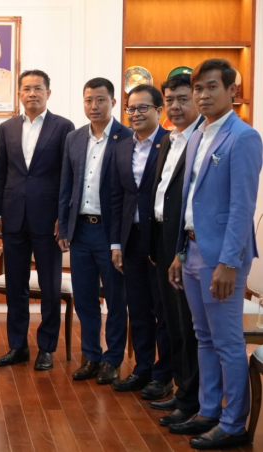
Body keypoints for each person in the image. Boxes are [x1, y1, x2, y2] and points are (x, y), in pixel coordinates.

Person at [168, 58, 262, 449]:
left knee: (226, 342)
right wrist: (178, 252)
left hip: (222, 257)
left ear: (232, 91)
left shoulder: (243, 137)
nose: (203, 95)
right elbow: (189, 200)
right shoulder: (197, 135)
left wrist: (228, 262)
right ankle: (208, 411)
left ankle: (233, 422)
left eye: (211, 87)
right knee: (203, 337)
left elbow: (242, 207)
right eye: (199, 89)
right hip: (191, 249)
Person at [0, 70, 75, 370]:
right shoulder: (7, 128)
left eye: (38, 88)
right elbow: (0, 172)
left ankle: (46, 348)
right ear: (19, 94)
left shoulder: (63, 127)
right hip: (13, 217)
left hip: (48, 219)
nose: (32, 94)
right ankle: (18, 346)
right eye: (26, 89)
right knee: (16, 286)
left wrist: (63, 216)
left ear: (48, 93)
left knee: (50, 286)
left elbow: (68, 175)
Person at [58, 78, 131, 383]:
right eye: (88, 100)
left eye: (100, 100)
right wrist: (64, 226)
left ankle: (112, 360)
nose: (94, 106)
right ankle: (91, 356)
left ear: (112, 102)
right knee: (85, 298)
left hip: (110, 233)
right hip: (80, 231)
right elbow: (66, 184)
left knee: (115, 299)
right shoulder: (74, 138)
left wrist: (120, 239)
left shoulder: (127, 137)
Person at [148, 74, 203, 426]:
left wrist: (177, 250)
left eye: (183, 98)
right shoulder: (169, 139)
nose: (175, 106)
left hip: (185, 242)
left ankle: (193, 400)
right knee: (172, 322)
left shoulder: (202, 139)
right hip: (162, 237)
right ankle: (182, 390)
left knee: (188, 324)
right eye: (169, 100)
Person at [110, 84, 171, 399]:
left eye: (142, 107)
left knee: (164, 310)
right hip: (131, 239)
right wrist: (116, 244)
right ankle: (142, 368)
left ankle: (164, 375)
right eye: (131, 108)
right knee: (138, 308)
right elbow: (116, 197)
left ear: (159, 110)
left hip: (160, 240)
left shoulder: (171, 143)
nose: (135, 114)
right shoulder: (122, 147)